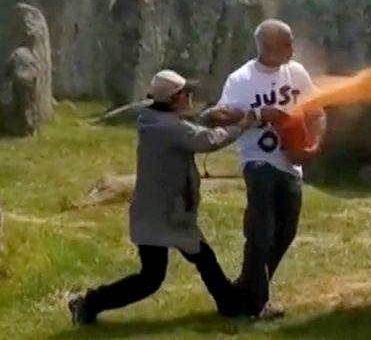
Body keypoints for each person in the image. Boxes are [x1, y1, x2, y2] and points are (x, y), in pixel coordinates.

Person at [68, 70, 252, 325]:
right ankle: (88, 303)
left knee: (196, 261)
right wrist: (243, 124)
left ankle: (230, 305)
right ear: (173, 99)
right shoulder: (168, 127)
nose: (191, 96)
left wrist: (213, 116)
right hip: (162, 214)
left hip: (165, 211)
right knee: (152, 278)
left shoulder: (157, 118)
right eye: (186, 93)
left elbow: (190, 125)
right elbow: (207, 140)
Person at [202, 19, 325, 319]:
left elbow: (316, 112)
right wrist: (257, 114)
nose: (292, 49)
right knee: (261, 230)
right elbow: (216, 117)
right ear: (268, 47)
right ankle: (258, 303)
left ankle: (246, 289)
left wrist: (315, 145)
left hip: (290, 164)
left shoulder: (296, 73)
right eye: (287, 44)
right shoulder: (240, 79)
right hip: (257, 160)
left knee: (285, 232)